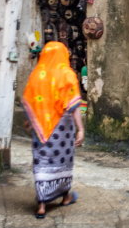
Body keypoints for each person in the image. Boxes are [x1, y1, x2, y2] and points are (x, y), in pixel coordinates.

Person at [22, 41, 85, 218]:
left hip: (40, 126)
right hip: (62, 129)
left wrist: (29, 121)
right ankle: (65, 197)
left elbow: (29, 99)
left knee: (42, 161)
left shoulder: (37, 75)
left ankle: (42, 205)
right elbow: (74, 105)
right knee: (63, 162)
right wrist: (80, 129)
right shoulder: (67, 74)